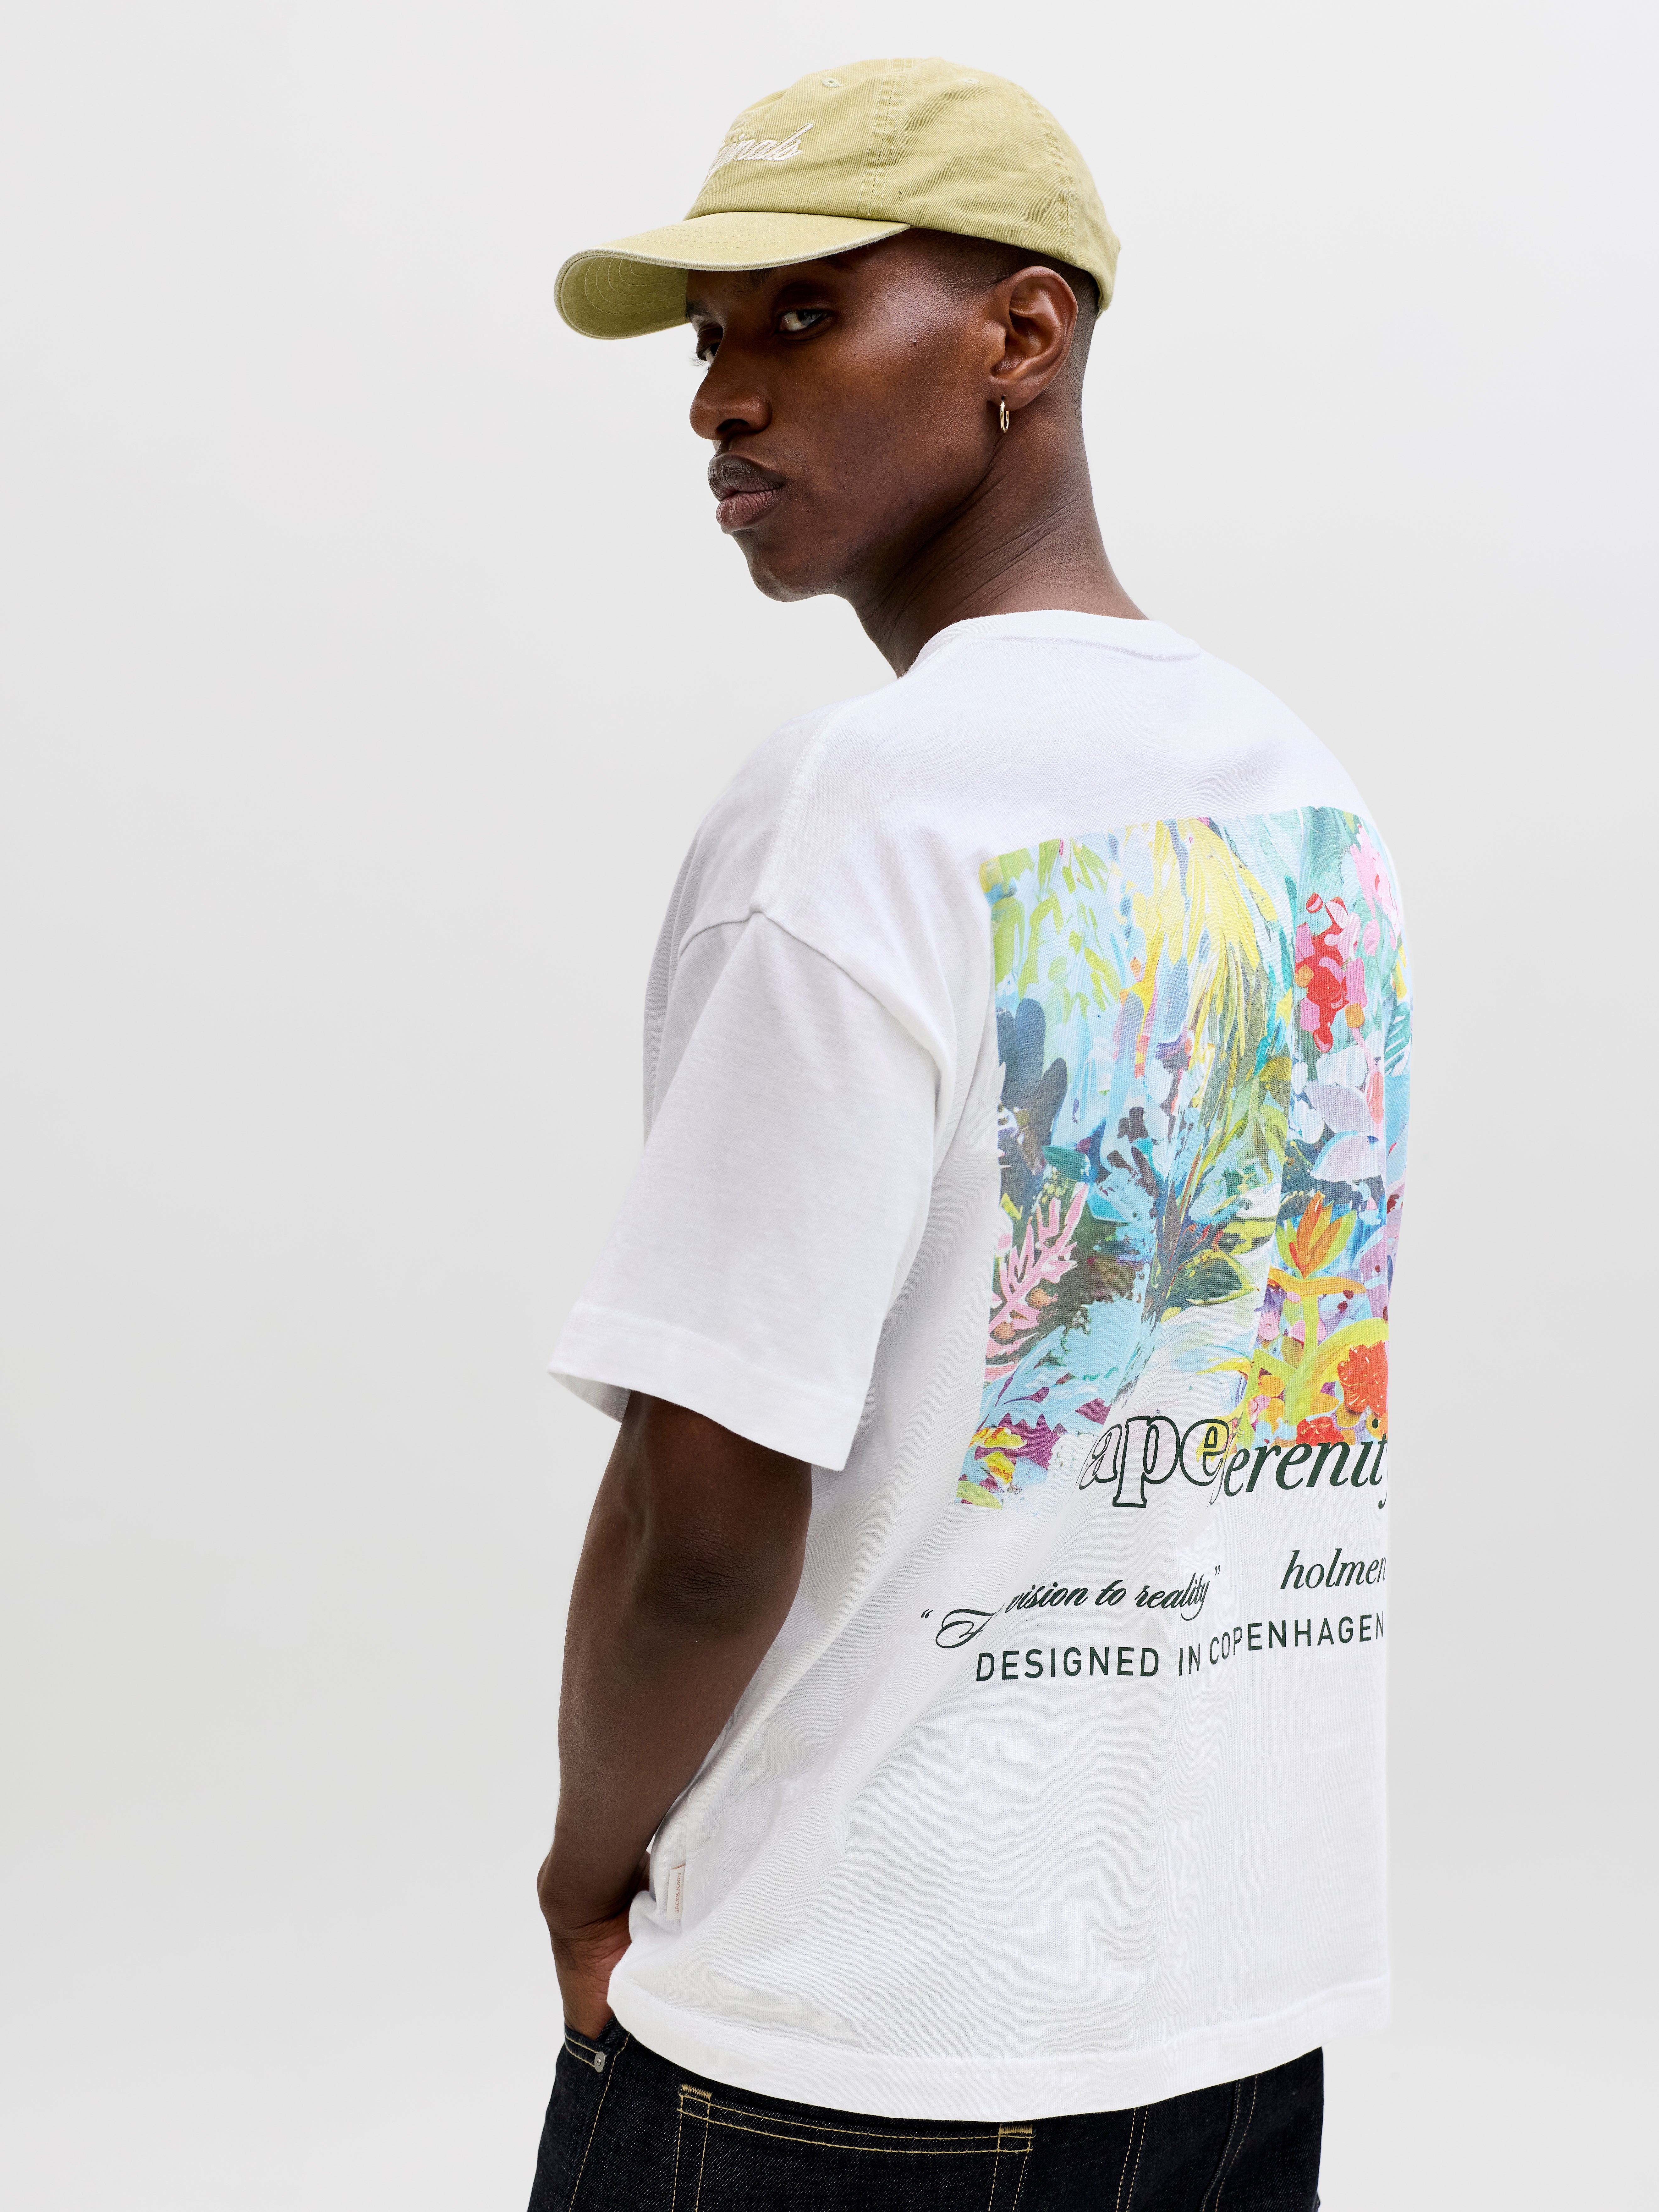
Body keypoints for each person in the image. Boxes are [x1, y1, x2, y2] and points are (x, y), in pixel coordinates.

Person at [530, 55, 1409, 2212]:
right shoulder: (1311, 807)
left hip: (842, 2045)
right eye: (708, 337)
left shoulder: (855, 809)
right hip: (1233, 2032)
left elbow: (707, 1509)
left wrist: (585, 1864)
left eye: (804, 313)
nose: (722, 398)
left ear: (1025, 335)